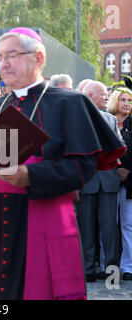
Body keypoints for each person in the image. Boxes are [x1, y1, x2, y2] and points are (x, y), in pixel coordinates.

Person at [0, 27, 125, 300]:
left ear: (39, 58)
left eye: (12, 55)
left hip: (44, 221)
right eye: (0, 57)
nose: (4, 63)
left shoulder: (70, 104)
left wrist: (31, 175)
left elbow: (82, 168)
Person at [75, 81, 121, 282]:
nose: (106, 97)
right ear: (90, 95)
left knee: (110, 228)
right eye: (102, 94)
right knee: (86, 228)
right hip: (86, 180)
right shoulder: (75, 118)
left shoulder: (110, 119)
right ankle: (87, 269)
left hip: (109, 179)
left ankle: (112, 270)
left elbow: (119, 146)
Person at [107, 88, 132, 280]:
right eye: (123, 99)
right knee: (107, 224)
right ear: (115, 101)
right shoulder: (105, 121)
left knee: (128, 224)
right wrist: (115, 169)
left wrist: (127, 170)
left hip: (129, 181)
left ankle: (127, 267)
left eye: (130, 100)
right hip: (107, 178)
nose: (127, 103)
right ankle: (107, 265)